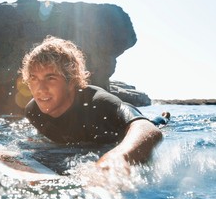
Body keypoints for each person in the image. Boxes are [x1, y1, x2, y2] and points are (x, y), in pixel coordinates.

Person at [19, 36, 162, 173]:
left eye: (51, 78)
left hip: (122, 138)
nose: (40, 89)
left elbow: (147, 128)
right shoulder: (33, 111)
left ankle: (163, 117)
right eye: (34, 78)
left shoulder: (98, 103)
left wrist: (118, 157)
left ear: (71, 81)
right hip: (84, 145)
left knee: (157, 122)